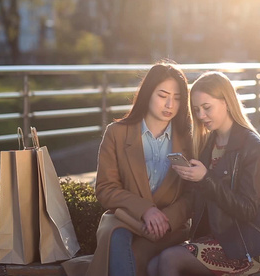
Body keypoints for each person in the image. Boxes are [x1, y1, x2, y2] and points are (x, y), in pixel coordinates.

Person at [62, 60, 192, 276]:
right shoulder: (117, 133)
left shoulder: (189, 139)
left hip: (170, 227)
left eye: (177, 98)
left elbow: (193, 194)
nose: (170, 104)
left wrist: (166, 218)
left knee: (134, 254)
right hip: (126, 218)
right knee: (115, 236)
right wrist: (145, 210)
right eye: (162, 95)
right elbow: (105, 188)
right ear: (147, 93)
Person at [148, 71, 260, 276]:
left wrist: (206, 178)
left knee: (169, 260)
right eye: (197, 110)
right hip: (217, 239)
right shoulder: (208, 144)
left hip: (250, 246)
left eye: (207, 108)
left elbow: (247, 210)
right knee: (153, 264)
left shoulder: (252, 146)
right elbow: (196, 200)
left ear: (226, 102)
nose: (201, 116)